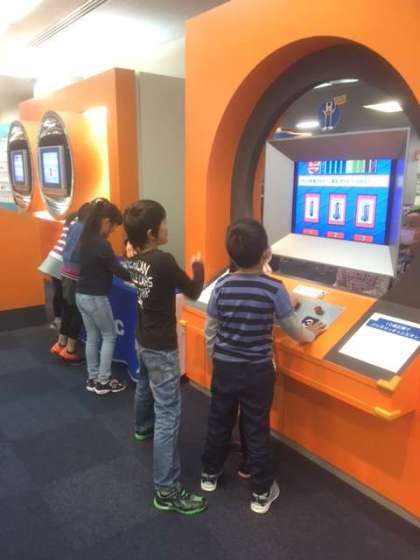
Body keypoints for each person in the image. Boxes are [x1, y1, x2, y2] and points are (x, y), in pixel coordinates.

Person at [201, 218, 326, 514]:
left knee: (219, 421)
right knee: (256, 427)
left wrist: (217, 358)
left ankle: (209, 475)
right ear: (266, 253)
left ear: (231, 254)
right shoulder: (274, 289)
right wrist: (311, 333)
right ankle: (260, 492)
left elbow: (211, 329)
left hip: (225, 367)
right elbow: (293, 329)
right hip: (257, 371)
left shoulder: (221, 286)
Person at [123, 199, 207, 515]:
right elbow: (194, 290)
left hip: (143, 339)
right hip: (161, 347)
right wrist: (198, 266)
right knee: (169, 413)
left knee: (145, 386)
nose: (167, 228)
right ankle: (167, 490)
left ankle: (142, 427)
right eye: (164, 223)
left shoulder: (134, 257)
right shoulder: (163, 260)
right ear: (151, 232)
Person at [75, 198, 131, 395]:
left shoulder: (84, 238)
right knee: (109, 335)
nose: (112, 231)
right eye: (113, 227)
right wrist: (138, 275)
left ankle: (93, 378)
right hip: (95, 298)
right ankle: (104, 381)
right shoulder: (101, 244)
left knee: (92, 336)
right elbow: (117, 270)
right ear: (106, 221)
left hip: (81, 294)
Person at [50, 203, 90, 363]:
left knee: (67, 307)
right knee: (78, 311)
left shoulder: (73, 224)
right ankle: (70, 350)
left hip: (65, 271)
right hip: (75, 275)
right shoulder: (84, 229)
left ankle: (61, 343)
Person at [39, 211, 77, 329]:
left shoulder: (70, 221)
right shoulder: (77, 223)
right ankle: (63, 322)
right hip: (62, 259)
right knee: (65, 294)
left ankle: (57, 320)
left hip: (54, 257)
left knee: (58, 291)